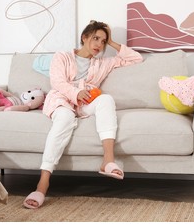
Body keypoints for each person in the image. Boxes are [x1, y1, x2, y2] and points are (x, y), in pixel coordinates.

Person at [23, 20, 144, 209]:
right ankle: (42, 185)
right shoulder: (62, 56)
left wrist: (112, 42)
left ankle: (108, 161)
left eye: (103, 41)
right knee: (64, 119)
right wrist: (75, 93)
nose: (99, 45)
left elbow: (136, 58)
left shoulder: (103, 63)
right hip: (63, 100)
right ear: (84, 37)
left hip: (85, 103)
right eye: (96, 38)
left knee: (106, 100)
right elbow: (57, 82)